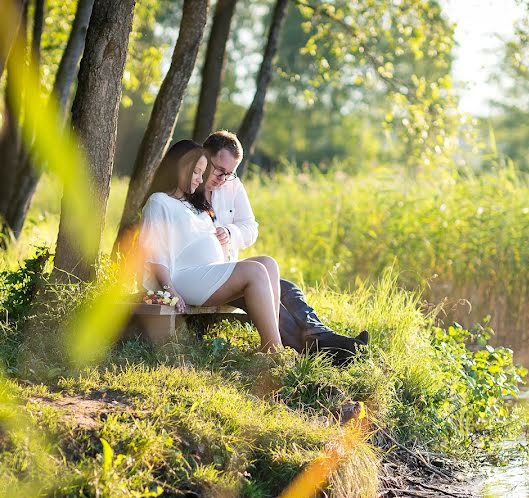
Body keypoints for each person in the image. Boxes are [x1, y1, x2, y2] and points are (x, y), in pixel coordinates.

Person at [200, 130, 368, 363]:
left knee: (287, 289)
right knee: (268, 298)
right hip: (208, 277)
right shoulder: (189, 188)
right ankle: (328, 351)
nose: (222, 179)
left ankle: (322, 338)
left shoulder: (232, 186)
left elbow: (250, 228)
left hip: (230, 269)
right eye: (219, 170)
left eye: (229, 173)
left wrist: (231, 232)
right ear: (205, 157)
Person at [138, 139, 283, 352]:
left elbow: (247, 227)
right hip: (182, 278)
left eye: (202, 173)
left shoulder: (194, 205)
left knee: (268, 264)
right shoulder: (159, 202)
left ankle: (273, 339)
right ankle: (274, 350)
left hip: (207, 274)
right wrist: (171, 291)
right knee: (254, 271)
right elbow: (155, 254)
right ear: (179, 167)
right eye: (195, 172)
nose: (199, 179)